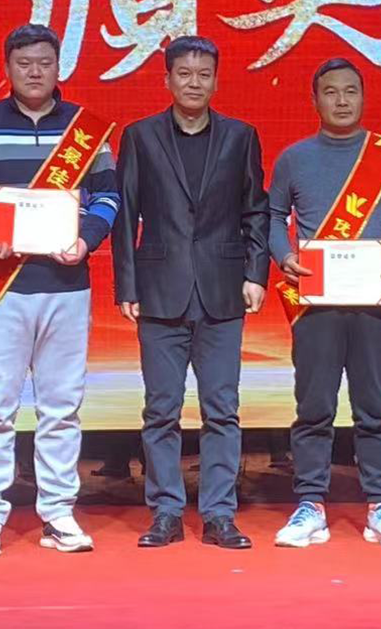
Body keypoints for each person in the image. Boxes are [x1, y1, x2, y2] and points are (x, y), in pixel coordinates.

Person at [0, 23, 119, 556]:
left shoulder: (85, 130)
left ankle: (59, 513)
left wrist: (86, 240)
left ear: (58, 66)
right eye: (24, 63)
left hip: (66, 286)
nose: (34, 72)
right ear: (8, 67)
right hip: (2, 287)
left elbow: (108, 198)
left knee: (61, 408)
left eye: (44, 62)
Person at [112, 35, 270, 550]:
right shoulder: (140, 136)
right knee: (161, 410)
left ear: (216, 81)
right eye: (184, 73)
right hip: (159, 290)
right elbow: (125, 214)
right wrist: (127, 284)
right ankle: (165, 512)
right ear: (167, 79)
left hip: (223, 291)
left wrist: (256, 274)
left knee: (222, 409)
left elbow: (256, 210)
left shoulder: (241, 136)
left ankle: (220, 514)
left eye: (204, 74)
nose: (194, 83)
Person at [268, 58, 381, 549]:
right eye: (330, 92)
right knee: (314, 406)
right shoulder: (294, 158)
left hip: (376, 299)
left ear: (363, 97)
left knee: (374, 406)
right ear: (315, 100)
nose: (341, 100)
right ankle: (310, 504)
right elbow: (272, 216)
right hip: (317, 302)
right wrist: (285, 255)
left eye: (351, 91)